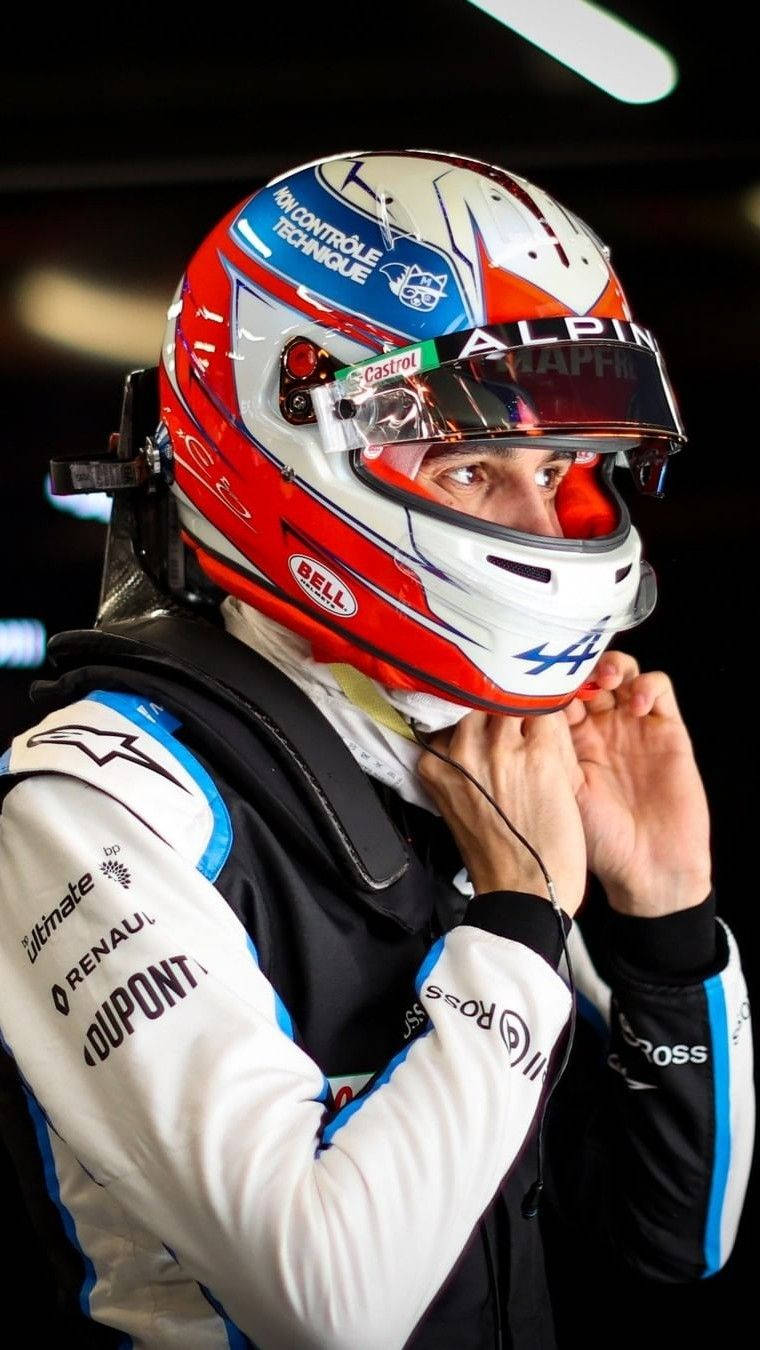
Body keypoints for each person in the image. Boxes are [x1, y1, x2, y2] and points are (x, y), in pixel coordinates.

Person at [0, 150, 753, 1349]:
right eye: (471, 468)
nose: (545, 520)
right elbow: (329, 1309)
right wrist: (516, 919)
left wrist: (666, 924)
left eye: (559, 468)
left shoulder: (454, 744)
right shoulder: (96, 797)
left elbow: (674, 1239)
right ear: (288, 449)